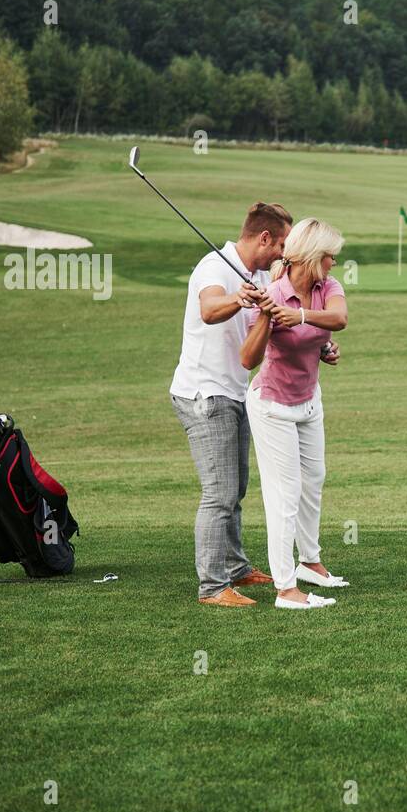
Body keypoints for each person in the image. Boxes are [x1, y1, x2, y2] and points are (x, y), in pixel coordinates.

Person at [170, 202, 293, 606]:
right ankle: (212, 586)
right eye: (281, 245)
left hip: (236, 391)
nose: (283, 254)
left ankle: (236, 567)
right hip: (205, 394)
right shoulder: (214, 267)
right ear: (264, 238)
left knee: (236, 487)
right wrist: (239, 299)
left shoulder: (257, 274)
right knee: (219, 493)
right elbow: (209, 310)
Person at [241, 217, 350, 609]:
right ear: (310, 257)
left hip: (308, 400)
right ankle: (286, 588)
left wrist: (316, 339)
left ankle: (310, 562)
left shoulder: (327, 288)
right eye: (329, 257)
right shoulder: (271, 294)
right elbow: (247, 359)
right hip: (272, 406)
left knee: (314, 480)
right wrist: (269, 316)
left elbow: (338, 319)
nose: (334, 264)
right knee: (283, 494)